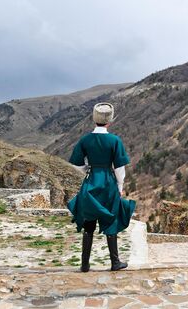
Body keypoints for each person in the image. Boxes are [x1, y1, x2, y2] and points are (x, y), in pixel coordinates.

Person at [67, 103, 136, 272]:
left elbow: (76, 163)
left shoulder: (85, 140)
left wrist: (87, 170)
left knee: (88, 222)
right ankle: (115, 263)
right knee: (110, 220)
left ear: (94, 119)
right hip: (108, 183)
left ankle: (84, 264)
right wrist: (120, 185)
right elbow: (119, 169)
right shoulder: (114, 140)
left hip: (90, 182)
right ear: (110, 121)